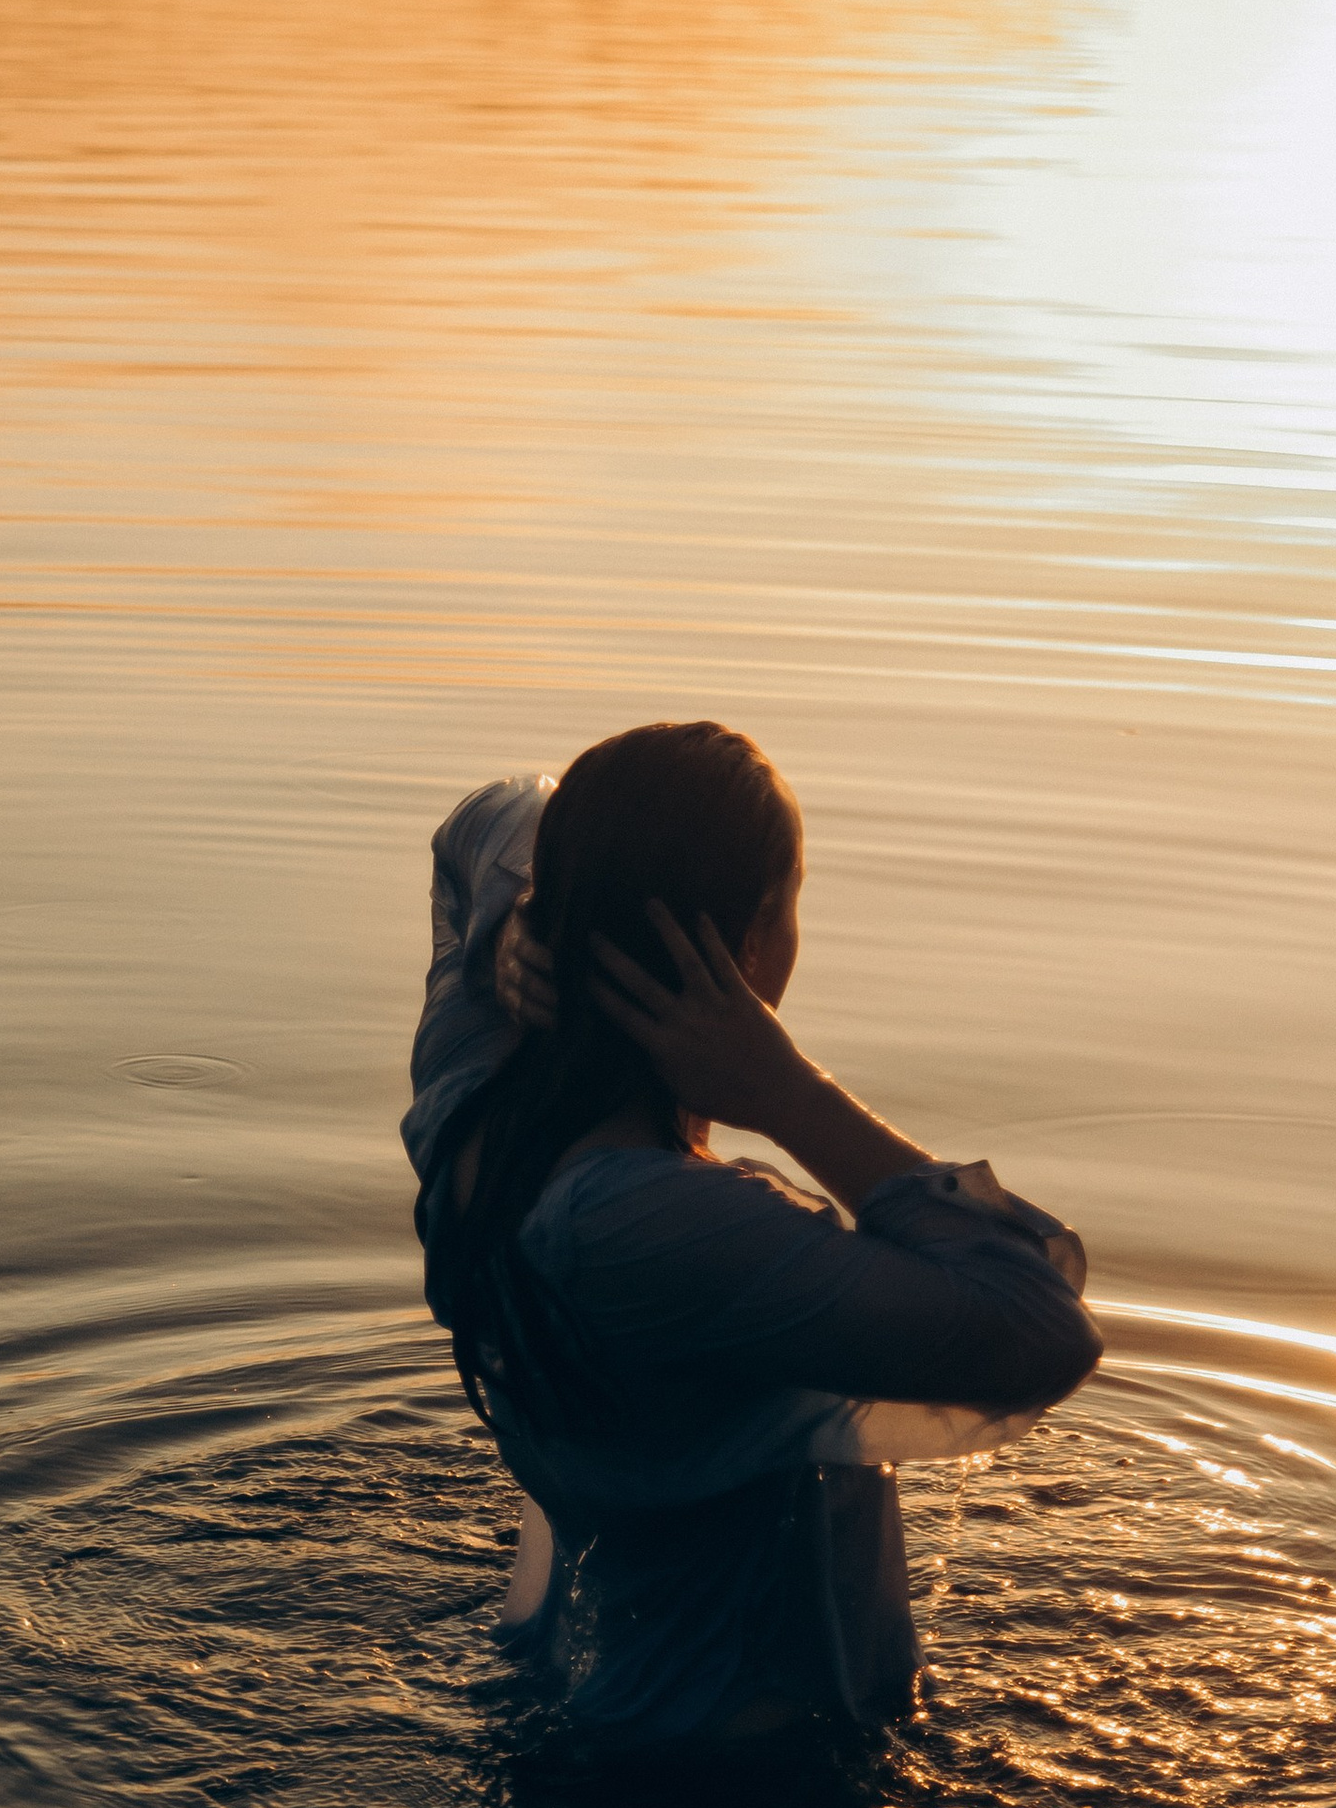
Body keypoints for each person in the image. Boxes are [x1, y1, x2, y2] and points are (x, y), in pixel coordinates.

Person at [405, 721, 1101, 1745]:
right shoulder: (654, 1222)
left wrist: (508, 923)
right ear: (746, 950)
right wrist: (791, 1094)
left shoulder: (468, 1106)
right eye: (793, 903)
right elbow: (1039, 1328)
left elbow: (480, 825)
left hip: (601, 1726)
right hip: (741, 1798)